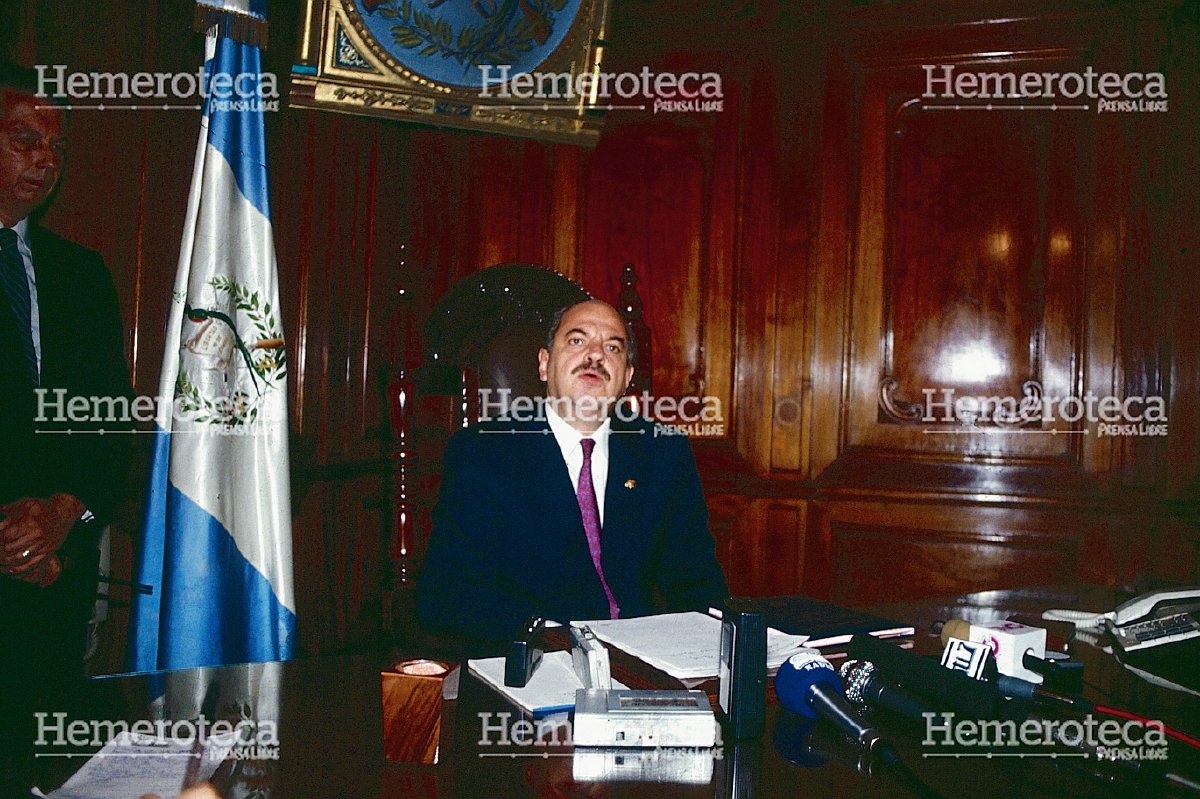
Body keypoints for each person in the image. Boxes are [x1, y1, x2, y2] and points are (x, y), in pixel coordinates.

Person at [416, 298, 728, 650]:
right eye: (577, 341)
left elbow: (695, 577)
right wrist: (547, 634)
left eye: (612, 347)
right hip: (534, 660)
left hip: (642, 664)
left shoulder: (663, 452)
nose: (595, 355)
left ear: (626, 377)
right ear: (544, 365)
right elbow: (445, 592)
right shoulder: (482, 453)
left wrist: (719, 643)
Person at [0, 64, 134, 796]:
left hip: (55, 586)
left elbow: (111, 420)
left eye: (56, 145)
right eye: (26, 139)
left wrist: (63, 512)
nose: (47, 159)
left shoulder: (82, 275)